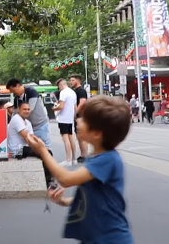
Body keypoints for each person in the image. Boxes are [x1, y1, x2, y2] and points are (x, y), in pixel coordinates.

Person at [27, 96, 133, 243]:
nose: (78, 120)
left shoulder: (108, 160)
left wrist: (43, 151)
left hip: (110, 237)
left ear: (97, 133)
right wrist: (64, 201)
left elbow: (65, 179)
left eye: (84, 119)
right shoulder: (97, 157)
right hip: (95, 236)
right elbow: (94, 197)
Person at [6, 78, 52, 149]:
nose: (13, 93)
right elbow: (14, 114)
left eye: (13, 90)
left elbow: (30, 109)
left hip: (40, 125)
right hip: (30, 128)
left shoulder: (31, 92)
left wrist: (18, 120)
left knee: (46, 148)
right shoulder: (17, 99)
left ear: (18, 86)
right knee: (35, 150)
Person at [54, 79, 77, 166]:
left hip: (63, 119)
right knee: (71, 139)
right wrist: (74, 117)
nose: (59, 89)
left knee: (65, 139)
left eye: (59, 86)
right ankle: (74, 159)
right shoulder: (73, 93)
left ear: (61, 85)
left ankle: (68, 159)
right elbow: (75, 107)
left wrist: (54, 108)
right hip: (70, 119)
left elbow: (61, 106)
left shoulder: (63, 93)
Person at [69, 75, 88, 163]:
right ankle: (82, 154)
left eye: (72, 80)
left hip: (81, 116)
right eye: (70, 80)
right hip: (77, 116)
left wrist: (76, 113)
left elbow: (82, 102)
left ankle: (85, 155)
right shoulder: (74, 91)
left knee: (82, 136)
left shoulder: (81, 91)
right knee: (79, 136)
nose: (71, 82)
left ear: (77, 80)